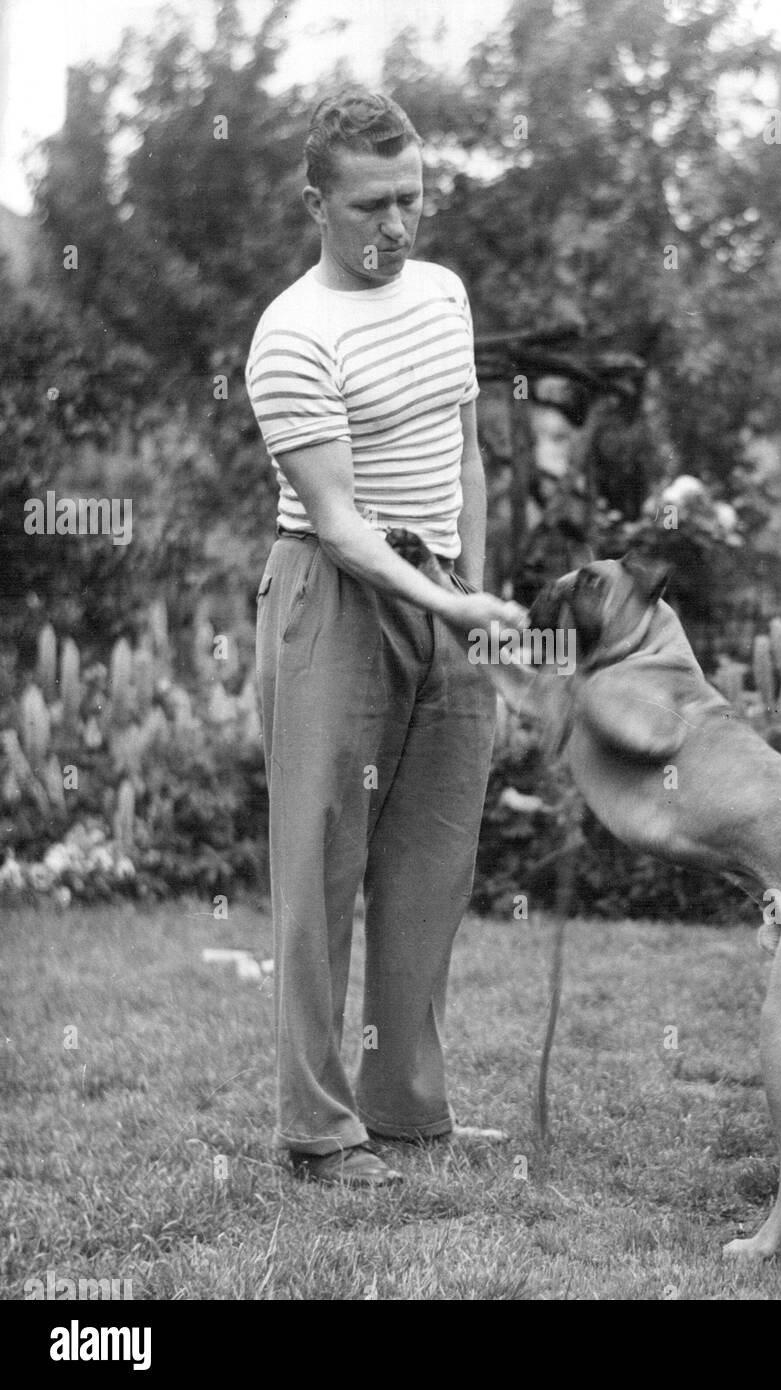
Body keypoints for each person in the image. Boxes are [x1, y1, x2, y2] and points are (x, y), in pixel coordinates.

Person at [246, 88, 526, 1186]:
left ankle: (406, 1110)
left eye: (411, 197)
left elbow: (464, 457)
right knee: (320, 866)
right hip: (337, 594)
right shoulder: (290, 333)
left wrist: (475, 591)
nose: (396, 226)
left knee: (430, 861)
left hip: (444, 591)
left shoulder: (444, 296)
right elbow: (343, 523)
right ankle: (317, 1135)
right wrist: (444, 600)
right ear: (318, 201)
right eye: (371, 204)